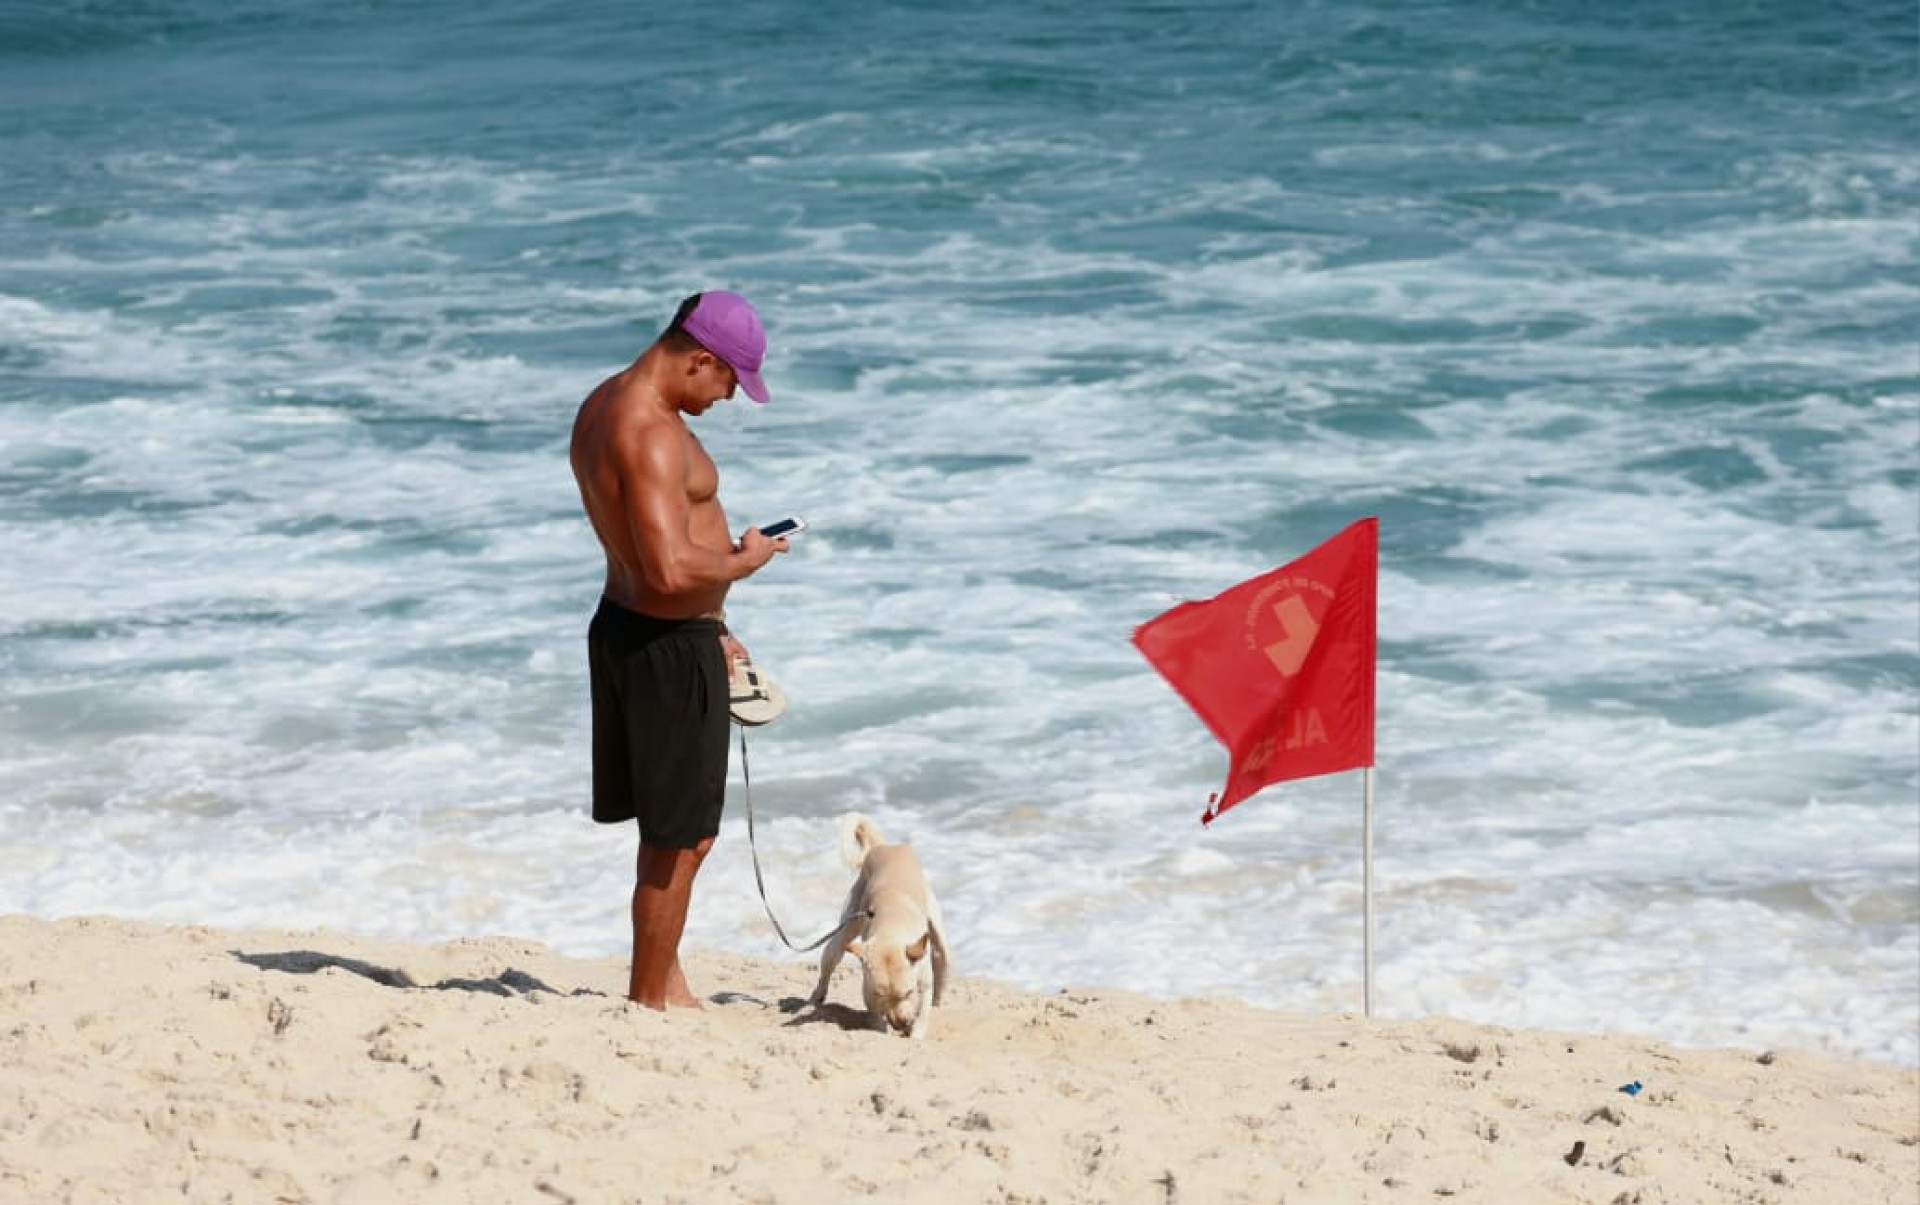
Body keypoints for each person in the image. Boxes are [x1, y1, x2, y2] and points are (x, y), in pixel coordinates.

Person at [569, 290, 789, 1010]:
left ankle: (666, 982)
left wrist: (716, 625)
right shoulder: (652, 432)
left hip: (632, 627)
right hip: (664, 643)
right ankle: (647, 1005)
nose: (730, 397)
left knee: (669, 832)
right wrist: (745, 561)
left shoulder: (603, 403)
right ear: (700, 358)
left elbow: (648, 551)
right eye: (730, 380)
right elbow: (667, 570)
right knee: (682, 839)